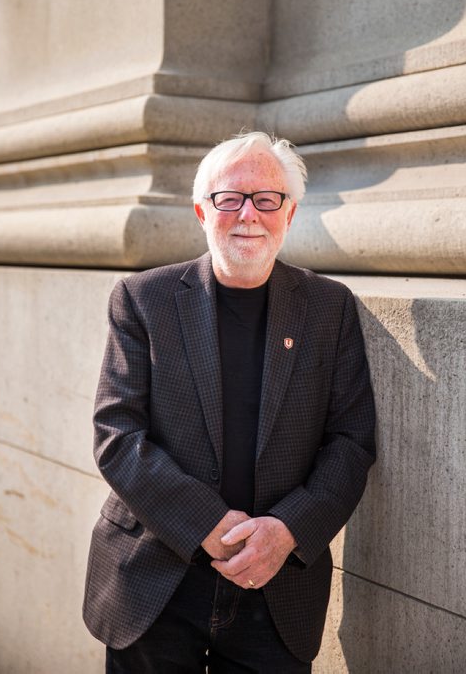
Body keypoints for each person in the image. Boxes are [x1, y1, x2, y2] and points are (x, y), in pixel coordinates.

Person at [83, 131, 376, 673]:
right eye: (229, 198)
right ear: (202, 211)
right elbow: (118, 436)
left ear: (289, 214)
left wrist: (286, 531)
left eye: (267, 199)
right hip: (155, 581)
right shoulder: (142, 299)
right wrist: (208, 525)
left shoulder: (329, 308)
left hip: (277, 586)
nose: (249, 215)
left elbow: (351, 444)